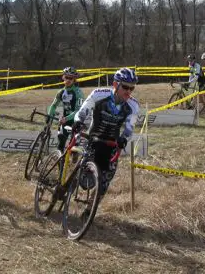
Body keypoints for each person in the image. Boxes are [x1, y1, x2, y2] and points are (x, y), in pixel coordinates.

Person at [72, 67, 139, 198]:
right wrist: (79, 121)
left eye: (132, 88)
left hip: (111, 143)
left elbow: (129, 129)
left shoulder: (133, 106)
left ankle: (90, 208)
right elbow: (82, 112)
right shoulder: (99, 94)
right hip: (92, 138)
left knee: (104, 182)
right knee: (82, 178)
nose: (129, 91)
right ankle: (65, 188)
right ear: (115, 84)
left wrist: (124, 138)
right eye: (125, 87)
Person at [47, 67, 84, 152]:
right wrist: (49, 116)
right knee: (61, 142)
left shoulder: (78, 93)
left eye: (70, 78)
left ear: (74, 79)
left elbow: (78, 111)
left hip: (76, 121)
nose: (68, 80)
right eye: (66, 77)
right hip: (65, 120)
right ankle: (60, 163)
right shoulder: (61, 92)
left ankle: (75, 154)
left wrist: (66, 118)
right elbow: (53, 106)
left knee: (73, 148)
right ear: (63, 77)